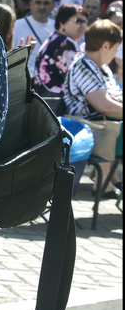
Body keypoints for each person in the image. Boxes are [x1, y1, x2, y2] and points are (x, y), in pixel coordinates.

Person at [64, 19, 123, 197]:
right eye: (116, 48)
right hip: (85, 130)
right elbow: (105, 105)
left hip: (106, 128)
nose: (116, 53)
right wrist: (113, 102)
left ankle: (107, 184)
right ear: (106, 46)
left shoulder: (103, 68)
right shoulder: (83, 66)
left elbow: (116, 99)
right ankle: (105, 185)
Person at [33, 4, 87, 100]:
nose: (82, 25)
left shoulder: (56, 38)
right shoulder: (63, 43)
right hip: (56, 105)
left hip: (47, 101)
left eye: (85, 22)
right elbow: (78, 79)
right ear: (62, 22)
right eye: (78, 21)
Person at [12, 0, 55, 74]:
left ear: (53, 5)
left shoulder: (58, 27)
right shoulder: (17, 25)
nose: (42, 7)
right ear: (31, 4)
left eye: (46, 3)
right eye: (38, 3)